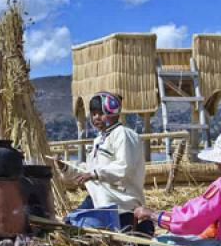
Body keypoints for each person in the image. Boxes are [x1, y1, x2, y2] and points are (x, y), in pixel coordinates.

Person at [61, 92, 153, 237]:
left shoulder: (123, 134)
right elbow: (87, 169)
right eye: (93, 114)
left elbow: (124, 167)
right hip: (98, 199)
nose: (96, 117)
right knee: (69, 226)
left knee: (118, 242)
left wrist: (94, 174)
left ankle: (140, 230)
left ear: (114, 113)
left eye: (101, 113)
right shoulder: (98, 140)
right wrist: (66, 167)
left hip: (120, 203)